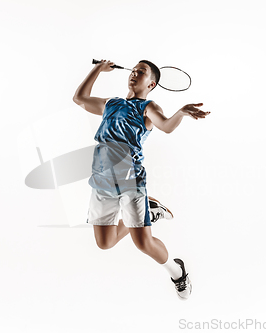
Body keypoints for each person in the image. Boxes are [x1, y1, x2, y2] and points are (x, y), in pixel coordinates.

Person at [73, 59, 210, 299]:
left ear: (152, 83)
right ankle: (150, 208)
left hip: (130, 182)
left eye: (142, 72)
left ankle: (177, 272)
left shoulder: (148, 107)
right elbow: (80, 98)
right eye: (134, 70)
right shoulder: (111, 104)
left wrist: (180, 112)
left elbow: (166, 126)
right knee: (105, 243)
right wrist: (97, 69)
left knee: (143, 244)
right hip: (101, 180)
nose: (134, 74)